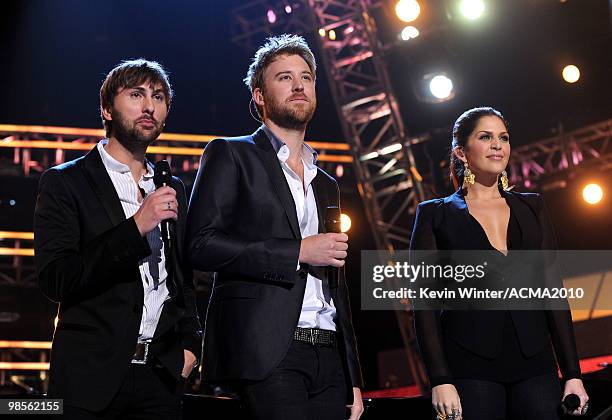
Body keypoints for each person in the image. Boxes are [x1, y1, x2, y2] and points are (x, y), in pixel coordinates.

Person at [186, 34, 364, 420]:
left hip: (329, 355)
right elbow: (200, 245)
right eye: (284, 77)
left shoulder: (326, 182)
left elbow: (338, 285)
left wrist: (353, 376)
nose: (299, 85)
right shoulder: (231, 154)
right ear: (260, 96)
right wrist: (297, 251)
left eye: (306, 77)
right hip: (267, 350)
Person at [34, 59, 201, 419]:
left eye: (158, 97)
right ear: (107, 108)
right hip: (90, 380)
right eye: (136, 94)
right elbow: (56, 278)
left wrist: (191, 346)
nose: (149, 106)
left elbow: (183, 279)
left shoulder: (172, 186)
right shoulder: (66, 182)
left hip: (161, 378)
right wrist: (136, 226)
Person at [410, 107, 589, 419]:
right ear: (462, 153)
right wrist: (439, 379)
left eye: (503, 138)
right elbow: (424, 305)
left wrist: (572, 372)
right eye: (485, 137)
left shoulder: (532, 207)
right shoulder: (434, 214)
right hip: (470, 366)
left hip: (535, 363)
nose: (497, 145)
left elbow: (553, 290)